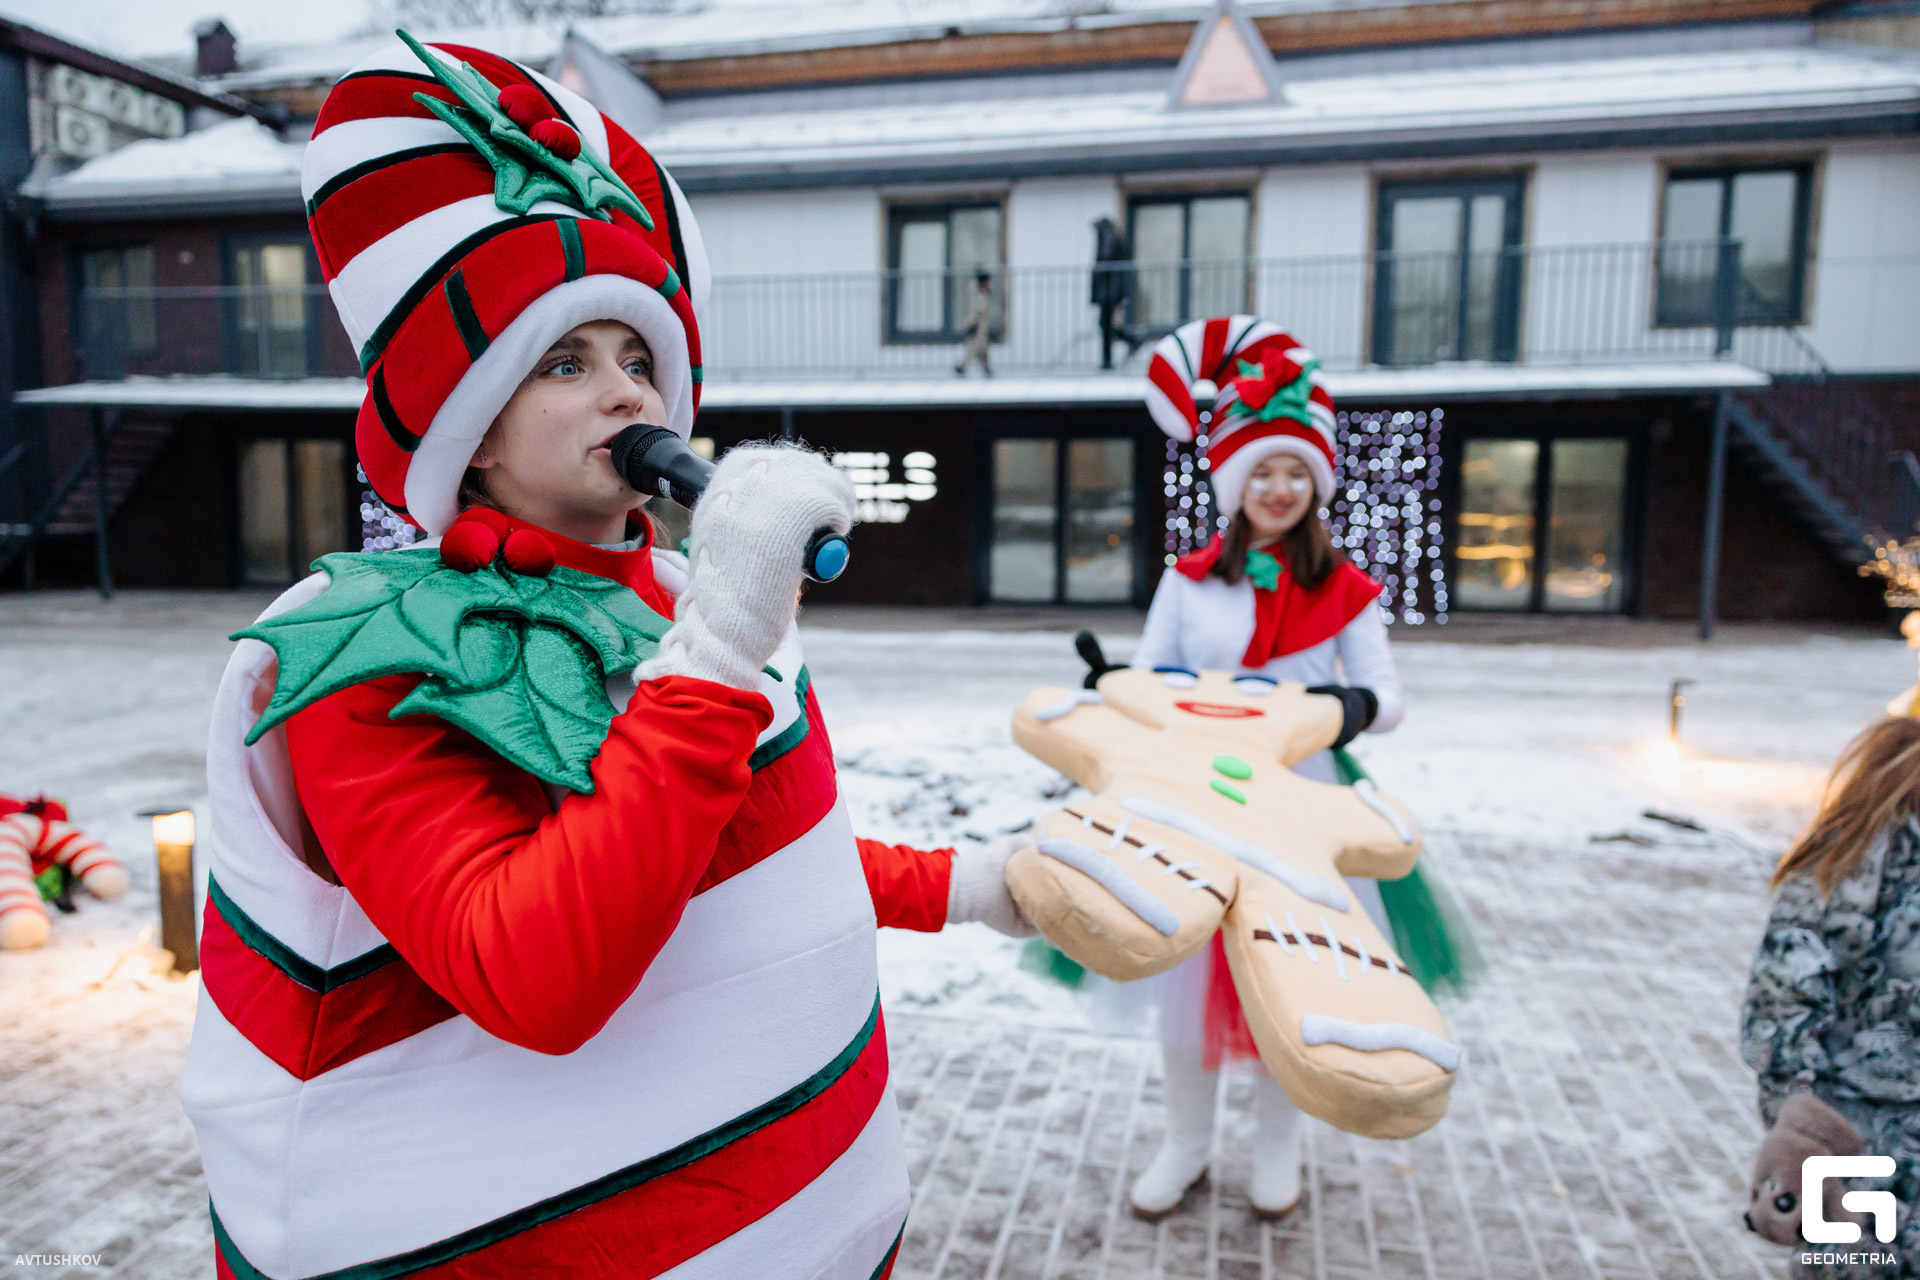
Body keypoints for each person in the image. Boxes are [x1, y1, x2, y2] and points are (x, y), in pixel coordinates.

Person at [179, 37, 1029, 1280]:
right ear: (469, 429)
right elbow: (535, 978)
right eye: (565, 361)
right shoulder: (372, 650)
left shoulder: (682, 597)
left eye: (639, 360)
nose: (629, 393)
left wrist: (971, 884)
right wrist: (723, 651)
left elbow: (741, 857)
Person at [1126, 318, 1404, 1220]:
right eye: (1261, 471)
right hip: (1197, 802)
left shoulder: (1344, 588)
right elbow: (1148, 676)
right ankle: (1186, 1144)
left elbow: (1387, 697)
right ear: (1233, 481)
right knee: (1186, 986)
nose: (1278, 488)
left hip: (1304, 808)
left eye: (1295, 471)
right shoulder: (1189, 579)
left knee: (1295, 984)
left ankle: (1278, 1153)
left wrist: (1340, 709)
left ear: (1316, 482)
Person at [1741, 714, 1920, 1277]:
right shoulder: (1856, 857)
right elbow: (1782, 999)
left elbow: (1778, 1001)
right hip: (1860, 1150)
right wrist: (1798, 1121)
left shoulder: (1845, 851)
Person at [954, 269, 993, 376]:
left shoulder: (981, 291)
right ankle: (961, 365)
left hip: (981, 326)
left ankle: (985, 367)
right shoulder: (977, 293)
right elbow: (976, 309)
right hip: (977, 326)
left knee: (982, 348)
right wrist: (972, 323)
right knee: (974, 348)